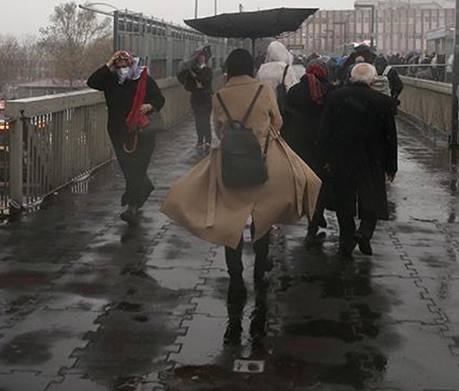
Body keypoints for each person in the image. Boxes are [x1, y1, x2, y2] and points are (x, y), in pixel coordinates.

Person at [161, 49, 320, 294]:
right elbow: (277, 122)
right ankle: (260, 266)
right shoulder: (264, 91)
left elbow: (218, 130)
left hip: (230, 162)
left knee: (230, 221)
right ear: (251, 67)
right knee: (263, 216)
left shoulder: (220, 95)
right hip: (263, 160)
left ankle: (235, 277)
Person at [319, 62, 398, 259]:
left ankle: (347, 238)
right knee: (371, 196)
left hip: (341, 157)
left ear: (351, 78)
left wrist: (326, 157)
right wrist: (391, 166)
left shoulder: (335, 98)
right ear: (373, 80)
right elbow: (390, 136)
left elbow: (325, 130)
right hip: (372, 158)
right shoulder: (383, 101)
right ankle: (364, 232)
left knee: (343, 200)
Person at [88, 50, 165, 223]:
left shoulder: (142, 78)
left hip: (142, 131)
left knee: (137, 167)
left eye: (125, 59)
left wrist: (149, 106)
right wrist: (108, 64)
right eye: (118, 59)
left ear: (131, 61)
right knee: (128, 167)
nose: (122, 62)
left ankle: (132, 207)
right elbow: (92, 82)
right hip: (119, 131)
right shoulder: (110, 80)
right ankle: (144, 189)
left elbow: (160, 98)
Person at [285, 61, 333, 245]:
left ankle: (309, 210)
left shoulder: (295, 91)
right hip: (321, 142)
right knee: (320, 181)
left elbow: (286, 117)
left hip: (298, 141)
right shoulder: (329, 91)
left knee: (303, 180)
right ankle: (316, 215)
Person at [178, 46, 214, 150]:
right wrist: (195, 86)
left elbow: (207, 80)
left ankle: (208, 140)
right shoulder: (191, 71)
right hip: (196, 98)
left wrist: (196, 77)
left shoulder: (208, 70)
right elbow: (187, 86)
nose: (201, 58)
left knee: (206, 120)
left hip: (206, 98)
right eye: (199, 57)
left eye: (203, 56)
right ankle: (200, 139)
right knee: (198, 120)